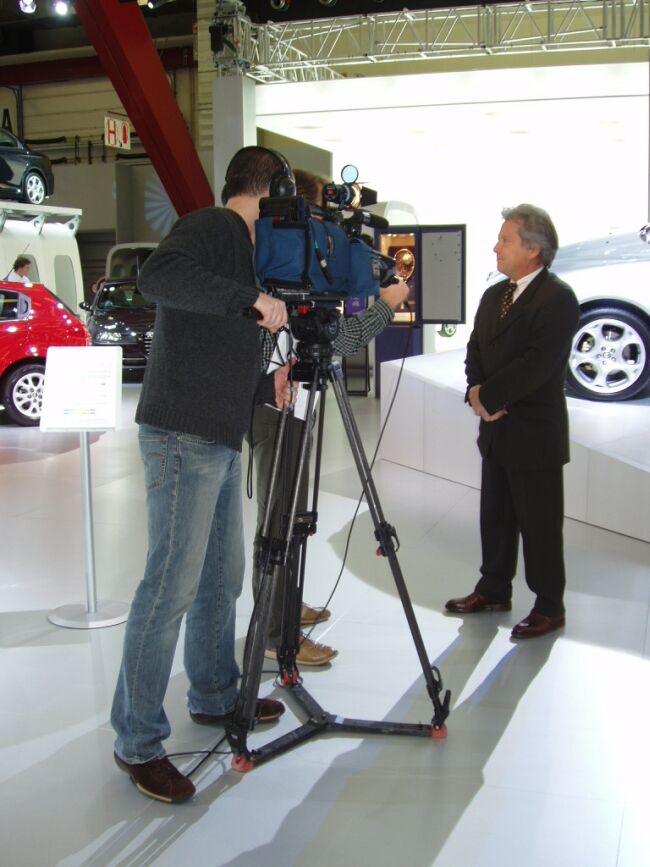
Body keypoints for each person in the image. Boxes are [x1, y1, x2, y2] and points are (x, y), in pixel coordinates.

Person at [111, 146, 292, 805]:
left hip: (215, 434)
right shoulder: (214, 227)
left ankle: (215, 690)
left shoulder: (246, 254)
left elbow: (215, 338)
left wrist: (262, 378)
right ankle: (136, 740)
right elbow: (160, 276)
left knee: (222, 575)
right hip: (183, 433)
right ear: (268, 194)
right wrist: (250, 300)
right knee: (170, 586)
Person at [250, 168, 410, 666]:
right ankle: (277, 636)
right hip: (279, 406)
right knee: (278, 520)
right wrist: (383, 308)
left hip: (296, 402)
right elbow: (336, 342)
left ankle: (286, 606)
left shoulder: (294, 272)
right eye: (323, 223)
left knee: (291, 514)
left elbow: (325, 336)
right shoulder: (279, 275)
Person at [445, 204, 579, 639]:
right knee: (496, 517)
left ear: (534, 250)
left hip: (534, 434)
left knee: (540, 525)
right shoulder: (493, 295)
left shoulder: (558, 299)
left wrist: (489, 396)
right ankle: (494, 589)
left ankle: (549, 606)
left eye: (505, 240)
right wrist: (476, 393)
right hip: (496, 428)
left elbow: (536, 365)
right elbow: (475, 352)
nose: (496, 247)